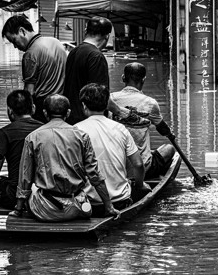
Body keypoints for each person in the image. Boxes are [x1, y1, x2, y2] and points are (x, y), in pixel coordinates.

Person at [9, 94, 120, 221]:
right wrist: (109, 206)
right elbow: (94, 175)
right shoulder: (81, 136)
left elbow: (25, 178)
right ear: (68, 113)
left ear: (45, 113)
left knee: (34, 186)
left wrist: (18, 210)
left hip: (47, 210)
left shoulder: (33, 137)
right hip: (78, 207)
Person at [75, 83, 151, 216]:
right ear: (106, 106)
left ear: (84, 106)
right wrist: (140, 186)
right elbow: (139, 164)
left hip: (88, 203)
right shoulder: (120, 129)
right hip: (120, 200)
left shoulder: (75, 130)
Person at [63, 16, 150, 127]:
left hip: (71, 119)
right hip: (89, 123)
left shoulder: (73, 52)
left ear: (86, 31)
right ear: (107, 36)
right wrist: (124, 113)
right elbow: (101, 97)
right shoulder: (96, 56)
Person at [0, 90, 43, 209]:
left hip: (14, 195)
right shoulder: (46, 130)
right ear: (33, 108)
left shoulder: (5, 132)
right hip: (43, 195)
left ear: (10, 111)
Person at [111, 62, 176, 179]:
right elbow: (162, 129)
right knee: (169, 148)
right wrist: (170, 135)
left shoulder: (111, 100)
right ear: (144, 79)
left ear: (123, 78)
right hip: (142, 166)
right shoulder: (150, 103)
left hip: (115, 166)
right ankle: (153, 178)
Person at [2, 15, 67, 123]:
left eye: (14, 40)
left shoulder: (30, 54)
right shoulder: (56, 42)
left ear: (22, 31)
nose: (14, 46)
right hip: (62, 104)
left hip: (42, 108)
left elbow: (29, 91)